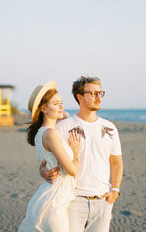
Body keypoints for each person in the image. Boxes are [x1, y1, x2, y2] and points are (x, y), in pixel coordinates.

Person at [41, 76, 123, 232]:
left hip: (103, 201)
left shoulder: (110, 128)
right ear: (80, 97)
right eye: (93, 93)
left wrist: (116, 191)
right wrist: (43, 171)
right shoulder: (63, 127)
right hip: (72, 200)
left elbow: (116, 162)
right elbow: (49, 160)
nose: (98, 97)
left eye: (100, 93)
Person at [19, 81, 82, 232]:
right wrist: (76, 153)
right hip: (56, 198)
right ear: (43, 108)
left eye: (61, 102)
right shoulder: (51, 134)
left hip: (53, 192)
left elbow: (64, 115)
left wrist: (42, 171)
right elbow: (72, 171)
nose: (61, 106)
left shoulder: (42, 132)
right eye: (56, 103)